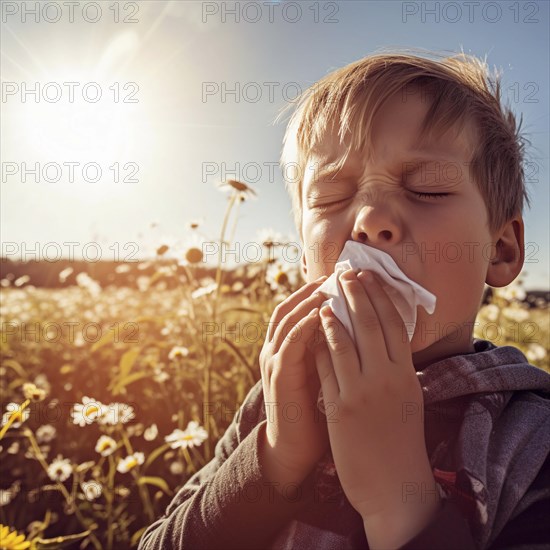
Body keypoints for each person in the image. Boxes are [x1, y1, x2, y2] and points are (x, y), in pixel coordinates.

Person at [138, 49, 550, 549]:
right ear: (304, 259)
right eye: (332, 199)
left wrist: (400, 507)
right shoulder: (279, 401)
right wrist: (277, 457)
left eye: (427, 189)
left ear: (502, 249)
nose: (370, 219)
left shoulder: (531, 440)